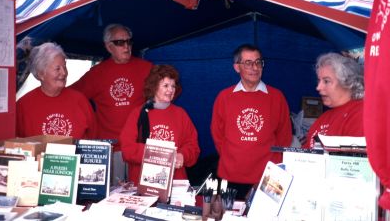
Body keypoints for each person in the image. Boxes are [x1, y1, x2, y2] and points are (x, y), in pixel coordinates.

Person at [70, 24, 153, 184]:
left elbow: (170, 89)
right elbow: (70, 97)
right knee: (114, 196)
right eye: (120, 43)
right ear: (109, 47)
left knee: (142, 195)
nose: (126, 46)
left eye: (129, 42)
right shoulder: (97, 74)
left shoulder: (146, 68)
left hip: (139, 146)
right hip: (112, 149)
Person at [211, 43, 292, 200]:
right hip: (231, 175)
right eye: (248, 63)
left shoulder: (276, 97)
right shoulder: (224, 97)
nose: (254, 67)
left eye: (258, 62)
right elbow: (217, 134)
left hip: (267, 177)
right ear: (237, 67)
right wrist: (233, 156)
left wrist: (274, 167)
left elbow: (284, 136)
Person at [120, 64, 200, 186]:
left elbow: (193, 146)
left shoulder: (181, 114)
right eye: (166, 85)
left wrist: (182, 156)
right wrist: (160, 155)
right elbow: (127, 149)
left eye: (173, 86)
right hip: (143, 183)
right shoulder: (137, 113)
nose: (170, 90)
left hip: (175, 184)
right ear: (154, 87)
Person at [16, 42, 96, 139]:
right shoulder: (23, 105)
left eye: (64, 67)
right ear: (41, 74)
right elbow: (17, 143)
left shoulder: (80, 100)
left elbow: (93, 137)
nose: (64, 73)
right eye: (57, 69)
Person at [302, 52, 364, 149]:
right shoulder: (324, 117)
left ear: (347, 82)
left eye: (326, 81)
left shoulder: (361, 114)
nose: (318, 87)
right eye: (319, 81)